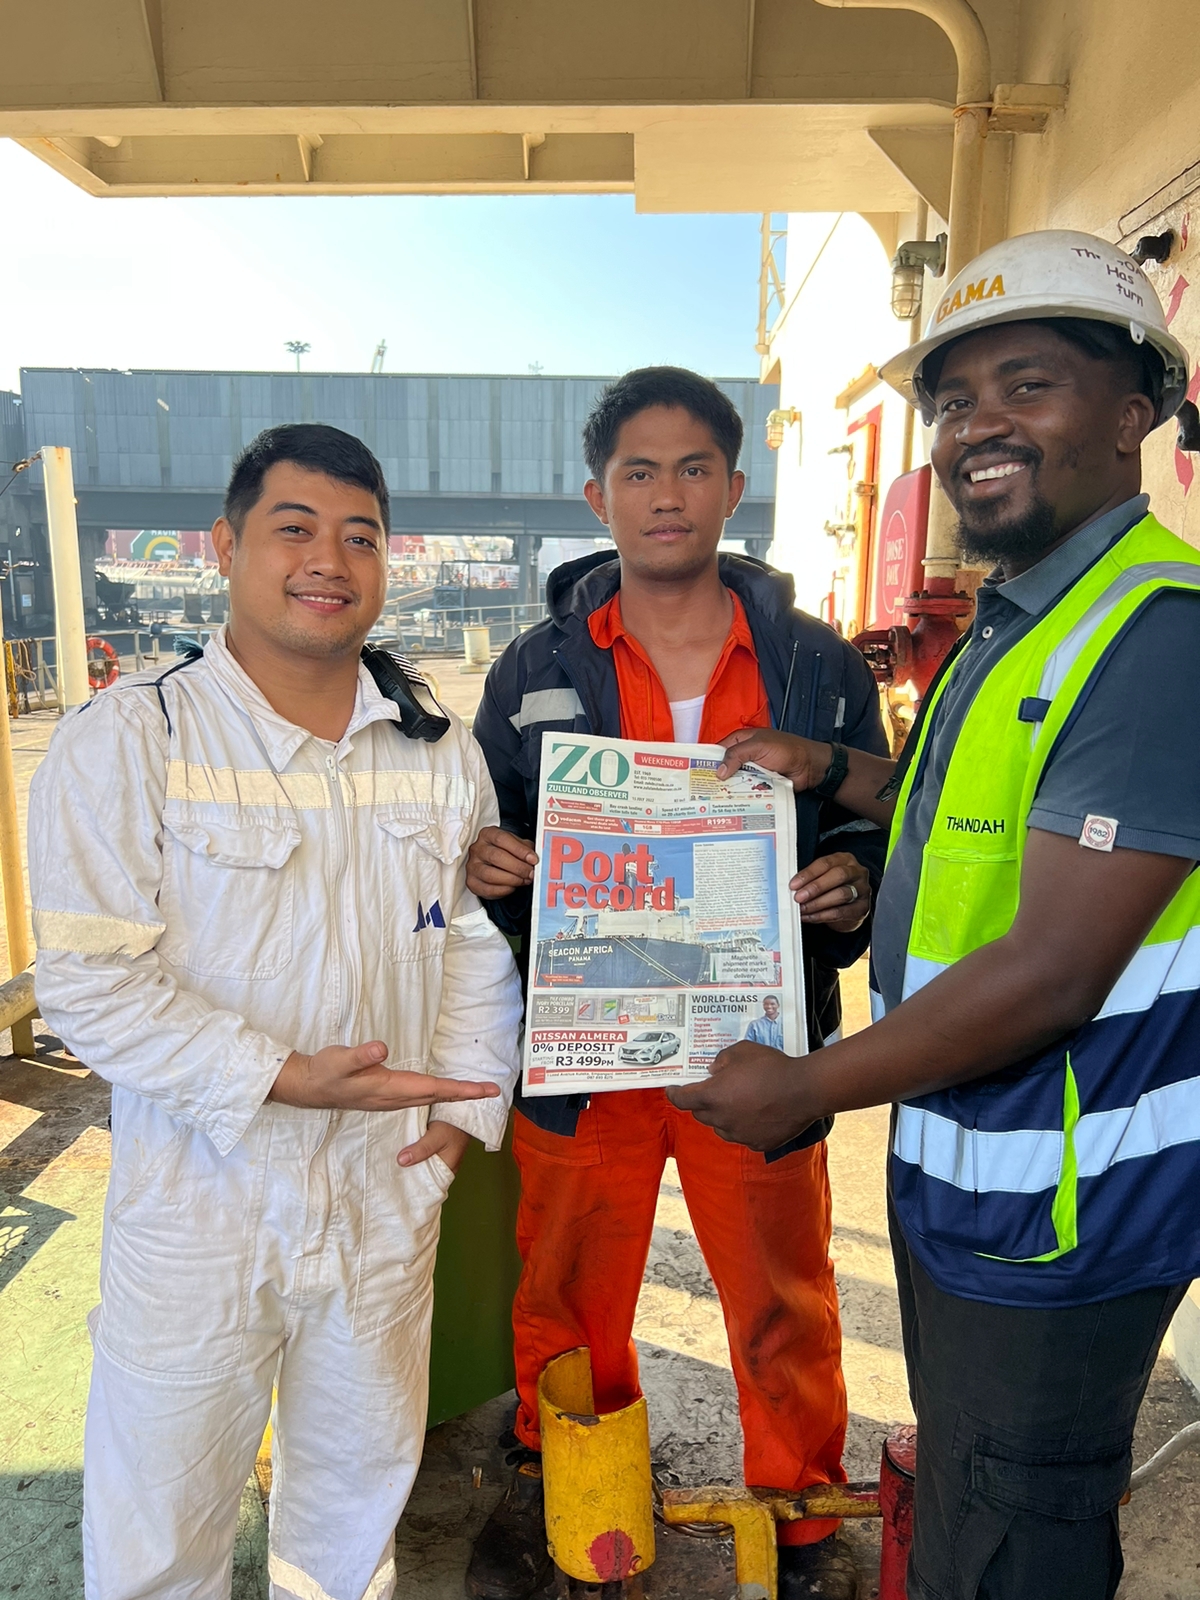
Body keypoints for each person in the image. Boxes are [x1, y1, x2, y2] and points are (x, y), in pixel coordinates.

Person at [676, 231, 1200, 1600]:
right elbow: (949, 815)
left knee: (1016, 1531)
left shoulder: (1159, 636)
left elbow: (1056, 967)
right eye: (957, 401)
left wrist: (808, 1085)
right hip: (975, 1174)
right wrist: (824, 765)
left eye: (1029, 385)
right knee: (971, 1490)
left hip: (1066, 1205)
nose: (979, 427)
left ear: (1135, 410)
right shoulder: (1016, 620)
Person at [28, 424, 523, 1600]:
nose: (328, 560)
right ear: (225, 545)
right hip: (201, 1198)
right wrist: (284, 1077)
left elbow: (468, 947)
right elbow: (91, 981)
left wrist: (463, 1114)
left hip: (384, 1186)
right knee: (163, 1512)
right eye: (294, 528)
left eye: (360, 536)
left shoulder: (436, 747)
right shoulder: (134, 734)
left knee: (355, 1497)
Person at [465, 367, 892, 1600]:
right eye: (639, 472)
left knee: (780, 1288)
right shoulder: (531, 670)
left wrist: (853, 885)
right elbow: (485, 824)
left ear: (734, 487)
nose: (667, 494)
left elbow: (878, 817)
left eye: (694, 468)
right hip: (585, 1052)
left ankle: (799, 1514)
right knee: (566, 1283)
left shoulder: (816, 665)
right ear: (595, 496)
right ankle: (575, 1484)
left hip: (757, 1052)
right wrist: (491, 865)